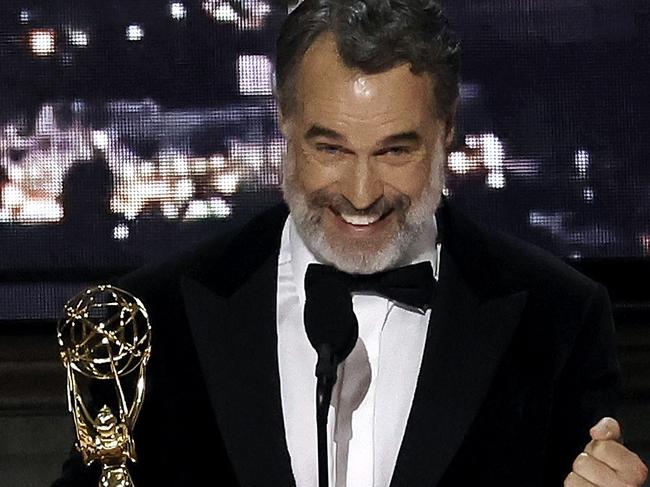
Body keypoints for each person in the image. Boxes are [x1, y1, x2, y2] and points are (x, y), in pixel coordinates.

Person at [53, 0, 648, 485]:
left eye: (396, 149)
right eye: (330, 148)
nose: (361, 194)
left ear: (446, 133)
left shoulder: (560, 318)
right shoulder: (149, 319)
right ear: (283, 125)